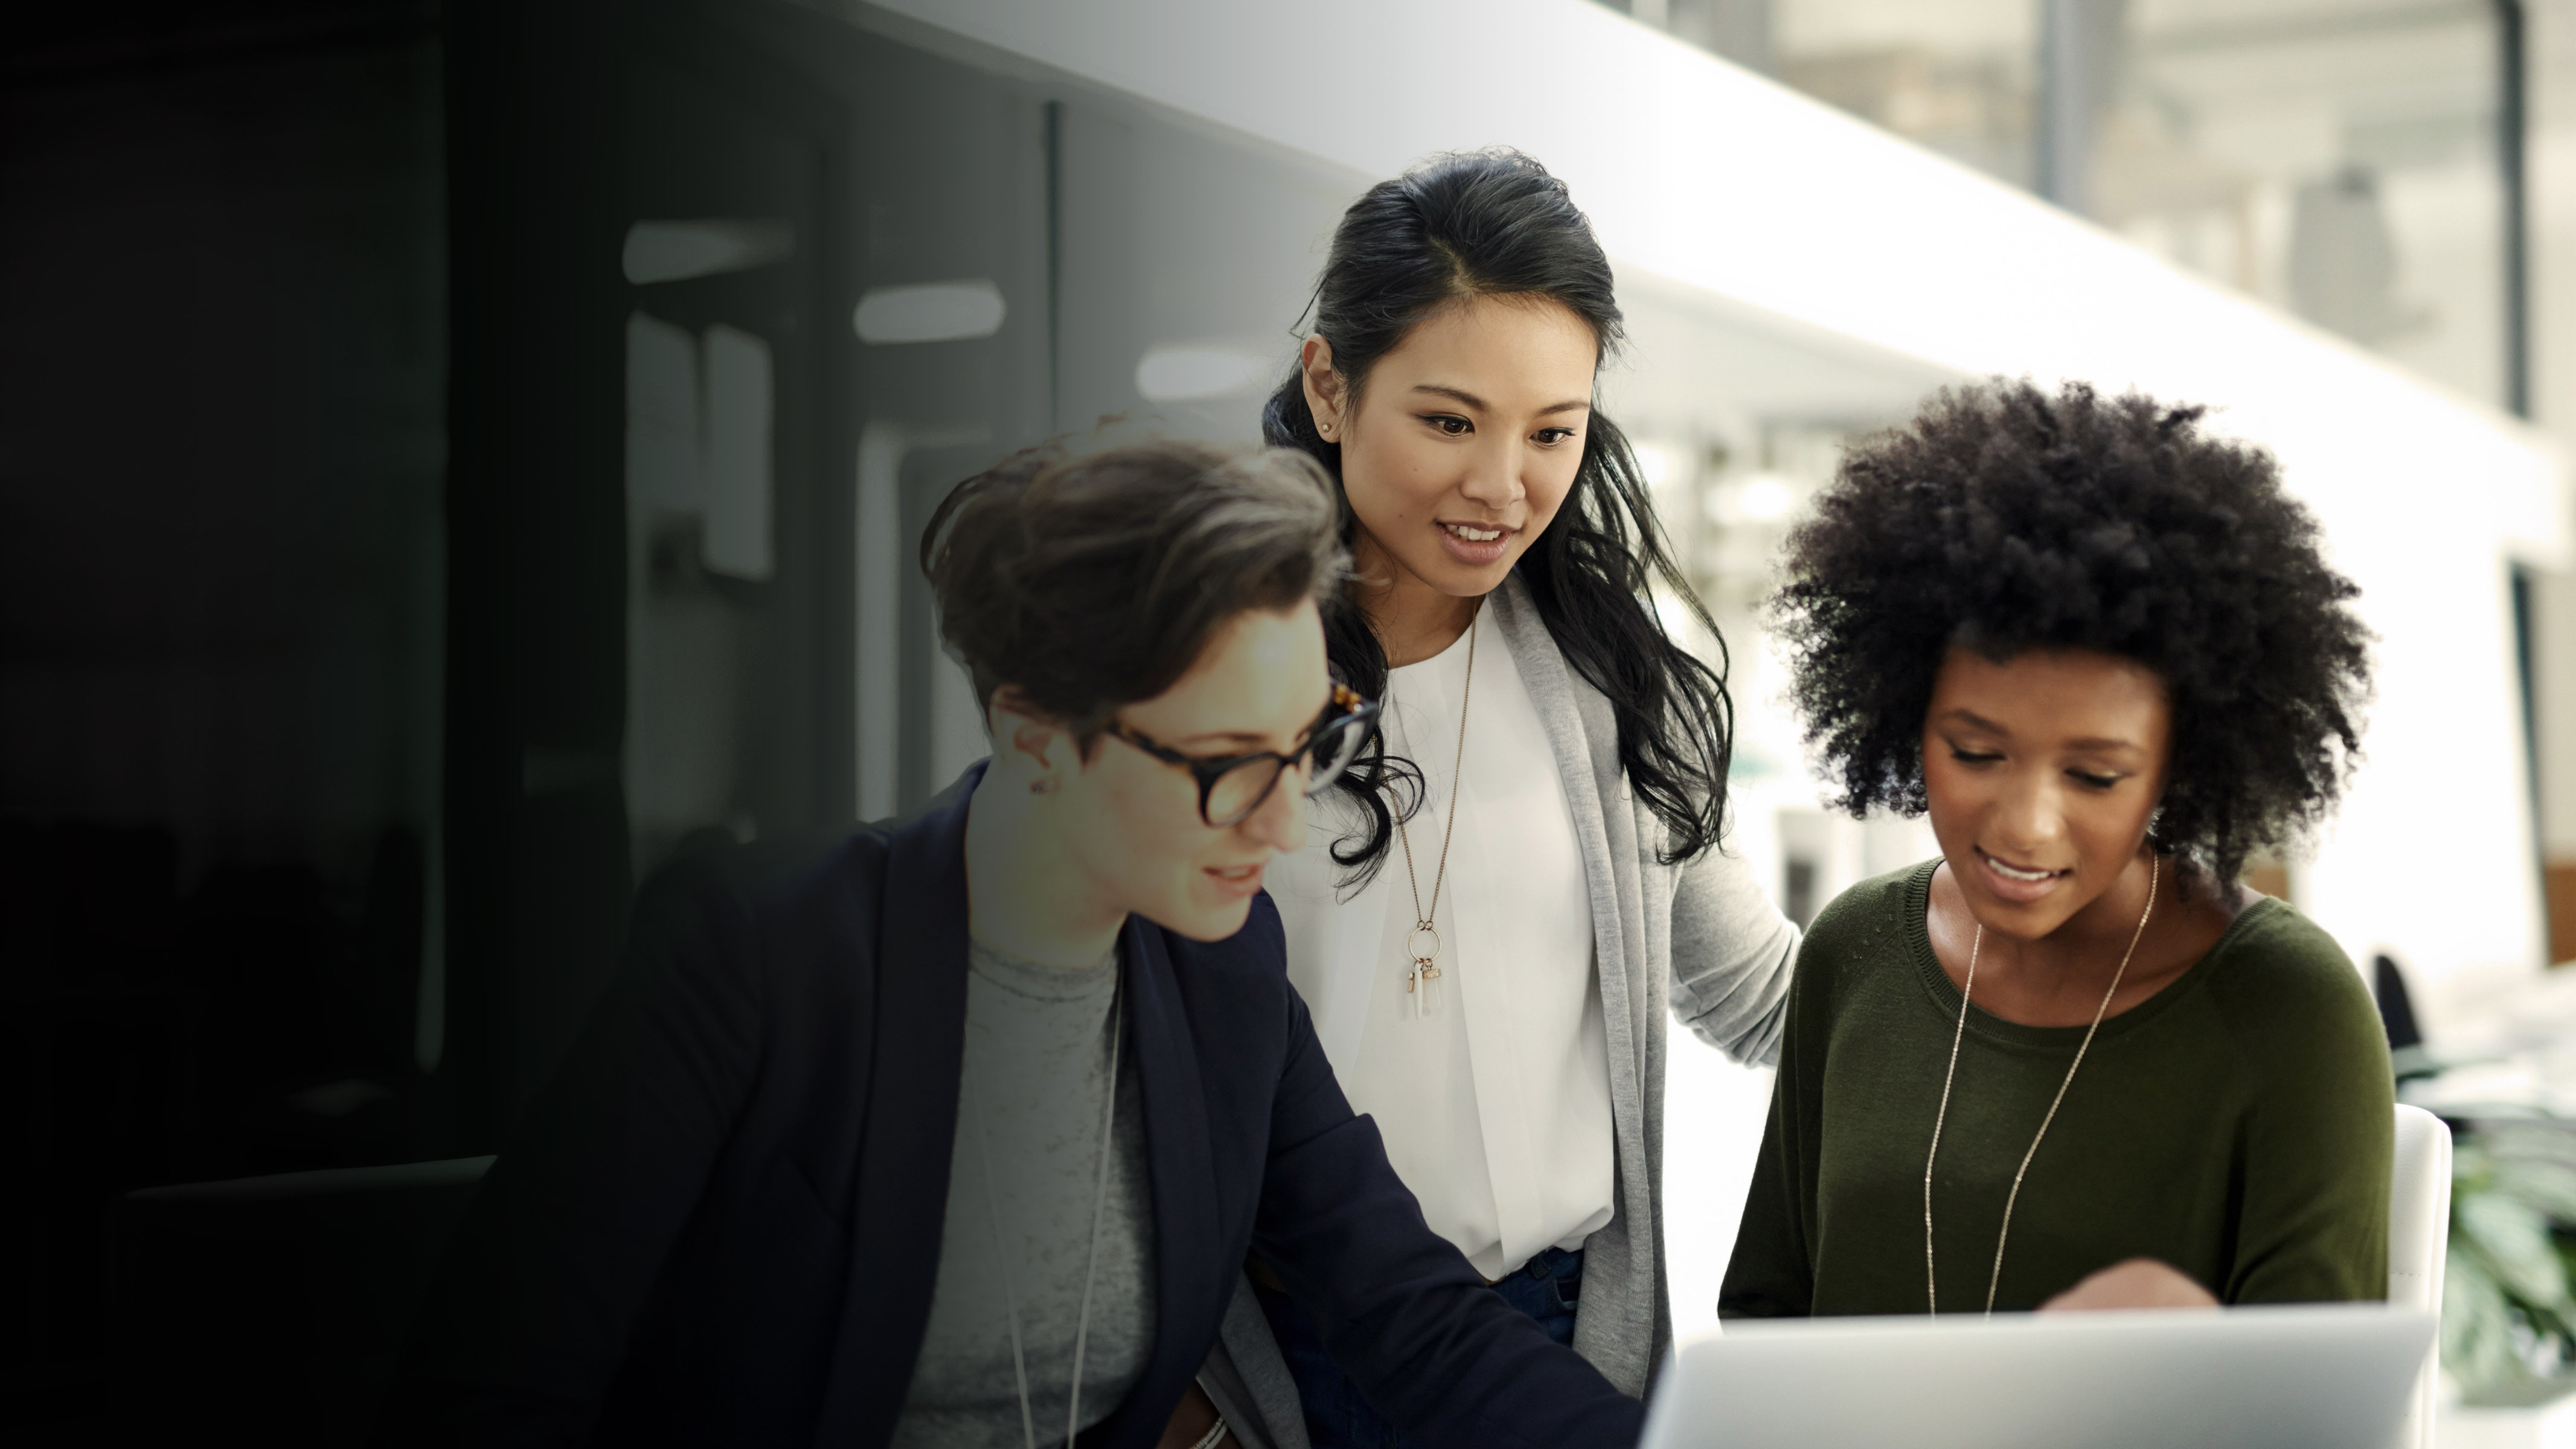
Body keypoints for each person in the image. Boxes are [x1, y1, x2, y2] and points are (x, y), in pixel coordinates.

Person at [379, 438, 1645, 1448]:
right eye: (1224, 767)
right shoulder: (762, 957)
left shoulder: (1223, 967)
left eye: (1308, 746)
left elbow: (1405, 1313)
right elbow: (492, 1395)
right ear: (1035, 739)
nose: (1283, 818)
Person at [1220, 149, 1799, 1444]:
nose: (1504, 486)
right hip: (1270, 1355)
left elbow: (1766, 999)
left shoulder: (1611, 685)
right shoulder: (1211, 673)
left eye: (1553, 432)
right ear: (1329, 383)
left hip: (1547, 1341)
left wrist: (2057, 976)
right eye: (1448, 421)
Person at [1720, 379, 2390, 1320]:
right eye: (1976, 753)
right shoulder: (1854, 951)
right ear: (1907, 718)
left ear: (2178, 766)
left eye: (2094, 776)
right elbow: (1765, 1317)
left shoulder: (2285, 1006)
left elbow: (2317, 1411)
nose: (2024, 825)